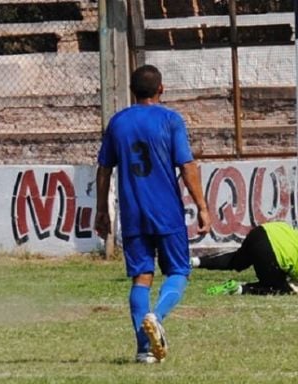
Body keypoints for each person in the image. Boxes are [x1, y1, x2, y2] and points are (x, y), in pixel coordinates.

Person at [95, 65, 211, 364]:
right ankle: (156, 317)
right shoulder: (170, 120)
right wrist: (203, 207)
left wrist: (101, 211)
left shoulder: (117, 123)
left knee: (141, 278)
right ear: (161, 89)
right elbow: (186, 166)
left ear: (133, 92)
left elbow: (104, 169)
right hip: (166, 211)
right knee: (178, 271)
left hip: (133, 212)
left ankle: (144, 350)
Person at [196, 221, 298, 295]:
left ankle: (194, 261)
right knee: (278, 288)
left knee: (235, 260)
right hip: (272, 251)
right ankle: (239, 289)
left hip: (263, 231)